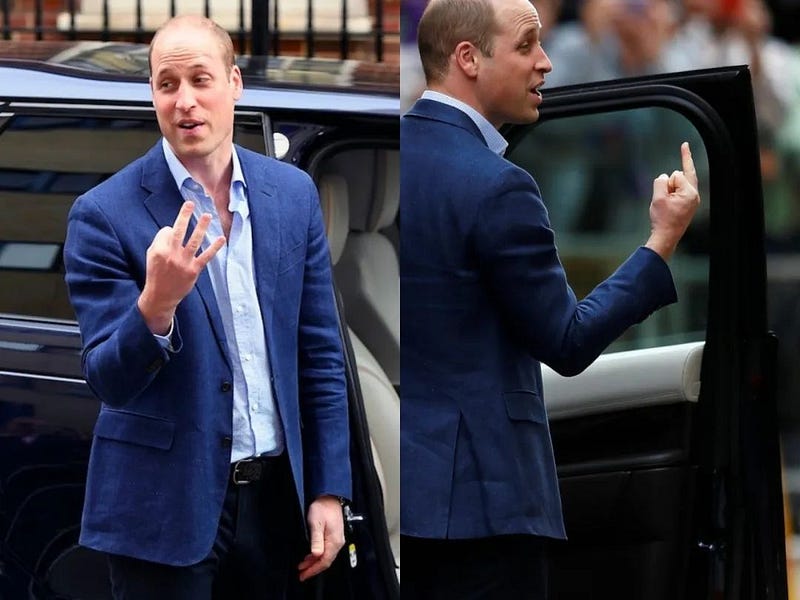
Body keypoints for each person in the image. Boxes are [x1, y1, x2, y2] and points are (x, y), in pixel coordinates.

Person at [400, 0, 700, 597]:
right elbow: (567, 340)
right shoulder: (497, 186)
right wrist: (661, 241)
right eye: (527, 45)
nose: (546, 63)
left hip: (400, 497)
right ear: (468, 58)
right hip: (486, 508)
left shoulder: (382, 160)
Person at [63, 15, 350, 599]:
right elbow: (108, 380)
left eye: (201, 79)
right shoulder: (103, 214)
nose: (185, 101)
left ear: (235, 83)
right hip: (161, 511)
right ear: (153, 95)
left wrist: (328, 490)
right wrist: (156, 305)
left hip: (277, 502)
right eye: (168, 84)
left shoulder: (292, 195)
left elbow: (319, 355)